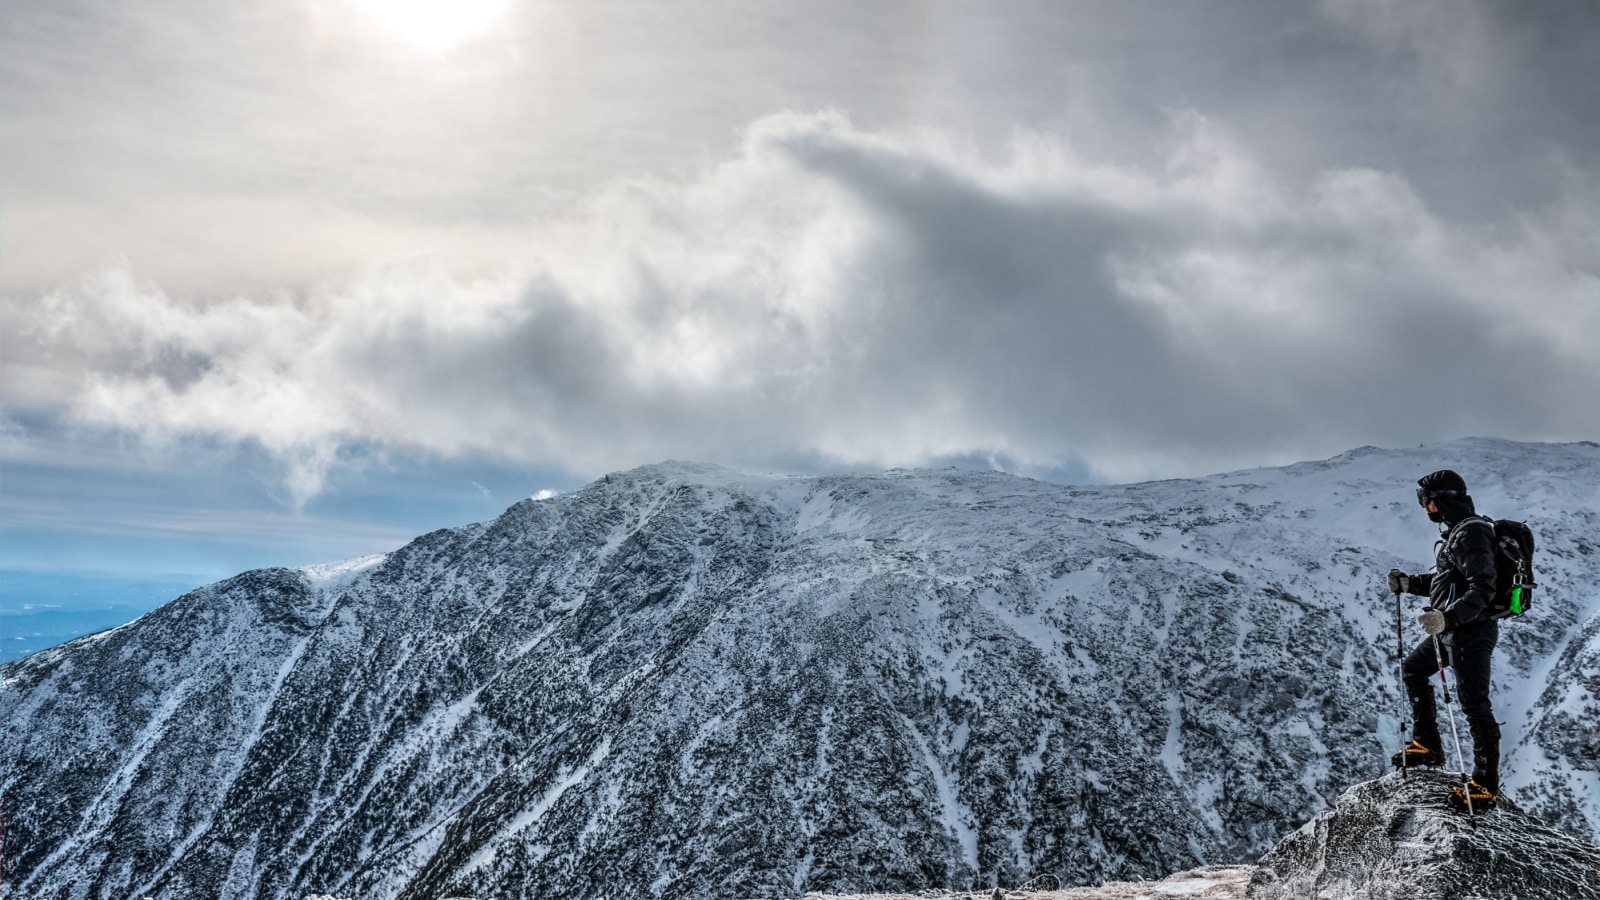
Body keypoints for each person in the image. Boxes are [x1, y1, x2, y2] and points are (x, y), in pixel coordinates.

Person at [1387, 469, 1500, 810]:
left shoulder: (1472, 534)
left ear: (1442, 499)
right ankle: (1427, 744)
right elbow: (1446, 582)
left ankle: (1484, 786)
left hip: (1471, 632)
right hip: (1452, 629)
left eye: (1427, 500)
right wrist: (1409, 584)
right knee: (1413, 670)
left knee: (1474, 705)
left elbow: (1483, 588)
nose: (1425, 508)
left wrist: (1446, 618)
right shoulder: (1458, 533)